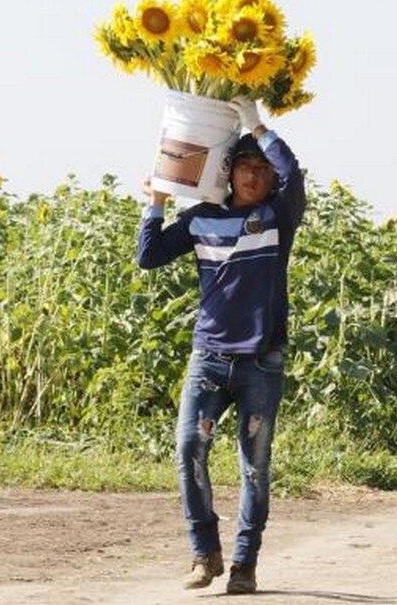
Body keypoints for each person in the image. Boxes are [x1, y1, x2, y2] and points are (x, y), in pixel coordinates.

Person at [135, 97, 305, 595]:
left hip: (261, 362)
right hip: (208, 358)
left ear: (271, 181)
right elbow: (149, 256)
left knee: (255, 466)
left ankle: (244, 564)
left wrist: (255, 123)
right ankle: (203, 553)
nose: (254, 176)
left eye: (262, 170)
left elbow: (291, 170)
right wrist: (158, 201)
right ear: (227, 173)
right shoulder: (201, 219)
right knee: (189, 449)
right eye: (244, 166)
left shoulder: (277, 220)